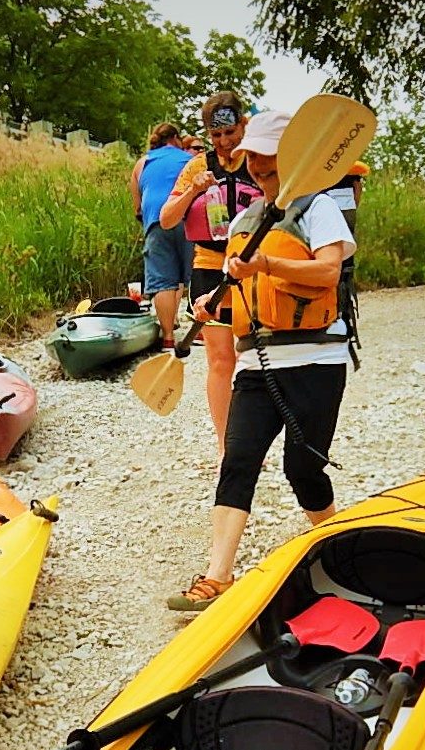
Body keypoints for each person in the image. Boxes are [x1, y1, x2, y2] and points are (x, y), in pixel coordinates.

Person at [167, 108, 356, 611]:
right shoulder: (246, 219)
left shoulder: (318, 209)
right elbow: (246, 294)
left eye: (267, 158)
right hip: (258, 365)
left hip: (316, 362)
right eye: (252, 158)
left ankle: (341, 551)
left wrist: (267, 261)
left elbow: (327, 273)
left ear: (290, 159)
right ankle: (217, 576)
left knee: (303, 469)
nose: (257, 167)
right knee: (238, 460)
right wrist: (212, 308)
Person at [158, 92, 259, 453]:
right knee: (220, 359)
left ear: (244, 125)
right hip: (209, 266)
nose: (224, 142)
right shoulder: (196, 166)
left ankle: (253, 438)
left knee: (253, 355)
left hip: (252, 267)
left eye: (231, 132)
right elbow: (167, 219)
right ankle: (225, 446)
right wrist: (192, 192)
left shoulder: (260, 159)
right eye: (216, 136)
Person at [130, 122, 195, 347]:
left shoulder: (142, 163)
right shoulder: (189, 160)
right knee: (197, 275)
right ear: (175, 138)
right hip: (187, 218)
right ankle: (204, 333)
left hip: (157, 221)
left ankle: (168, 338)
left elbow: (137, 206)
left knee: (162, 281)